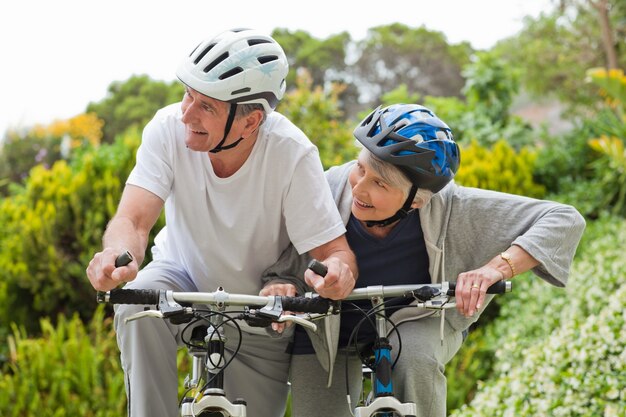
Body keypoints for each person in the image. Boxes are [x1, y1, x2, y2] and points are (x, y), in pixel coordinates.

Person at [86, 28, 357, 417]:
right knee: (138, 306)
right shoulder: (167, 129)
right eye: (187, 94)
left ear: (251, 122)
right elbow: (133, 218)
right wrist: (118, 253)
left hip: (258, 309)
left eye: (206, 107)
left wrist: (336, 275)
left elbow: (334, 252)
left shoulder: (292, 154)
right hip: (181, 278)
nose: (186, 113)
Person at [262, 103, 586, 417]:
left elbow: (564, 219)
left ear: (416, 201)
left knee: (416, 356)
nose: (358, 187)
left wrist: (494, 269)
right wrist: (280, 285)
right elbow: (286, 264)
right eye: (360, 167)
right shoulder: (327, 187)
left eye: (379, 182)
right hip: (326, 330)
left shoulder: (454, 207)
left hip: (415, 322)